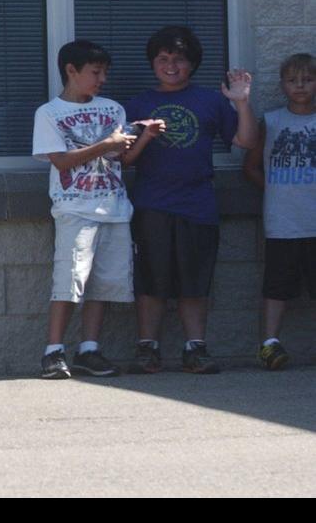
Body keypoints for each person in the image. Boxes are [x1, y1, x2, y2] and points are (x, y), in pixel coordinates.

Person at [120, 26, 258, 374]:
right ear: (152, 64)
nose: (171, 65)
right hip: (151, 203)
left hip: (198, 204)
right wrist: (146, 136)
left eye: (179, 59)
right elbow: (125, 159)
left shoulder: (210, 101)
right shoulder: (138, 103)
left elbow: (246, 141)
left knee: (194, 281)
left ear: (192, 64)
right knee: (151, 280)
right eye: (163, 59)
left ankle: (195, 348)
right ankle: (147, 347)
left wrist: (241, 102)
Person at [32, 41, 165, 379]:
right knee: (69, 278)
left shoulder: (113, 109)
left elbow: (124, 160)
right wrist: (106, 144)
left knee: (104, 283)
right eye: (95, 72)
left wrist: (144, 136)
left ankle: (89, 349)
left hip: (115, 207)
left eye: (105, 72)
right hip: (74, 209)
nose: (102, 79)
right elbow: (60, 160)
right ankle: (53, 351)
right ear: (71, 71)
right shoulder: (49, 113)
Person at [242, 53, 316, 370]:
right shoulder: (271, 121)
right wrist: (276, 191)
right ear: (282, 84)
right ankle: (270, 344)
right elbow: (252, 167)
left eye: (308, 79)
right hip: (282, 222)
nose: (300, 86)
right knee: (276, 285)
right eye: (293, 80)